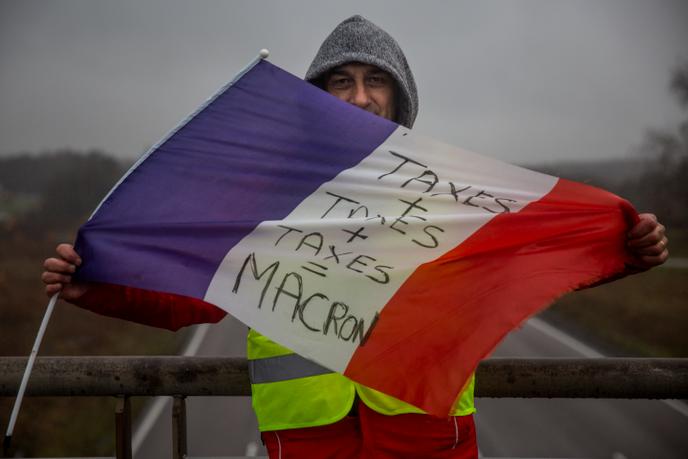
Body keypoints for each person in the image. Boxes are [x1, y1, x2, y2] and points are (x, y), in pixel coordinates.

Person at [42, 15, 669, 459]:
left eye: (377, 81)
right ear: (314, 98)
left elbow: (529, 262)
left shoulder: (449, 193)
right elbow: (193, 297)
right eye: (341, 81)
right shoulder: (271, 200)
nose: (360, 97)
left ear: (400, 100)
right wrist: (91, 288)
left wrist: (625, 253)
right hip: (307, 438)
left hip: (429, 440)